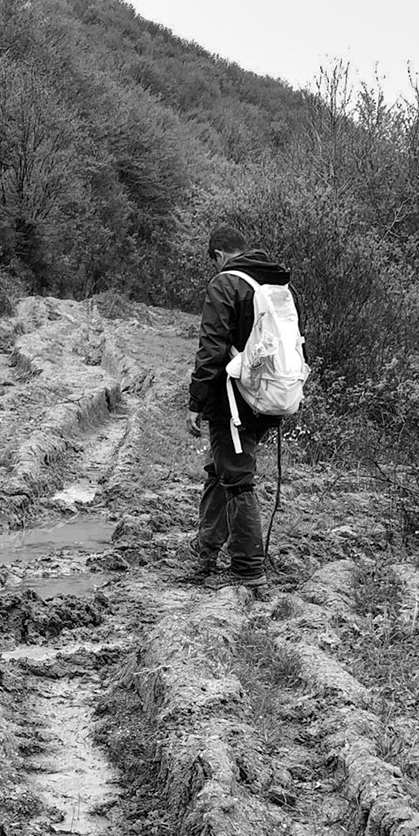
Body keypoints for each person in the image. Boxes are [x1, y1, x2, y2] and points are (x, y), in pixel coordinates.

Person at [185, 224, 299, 587]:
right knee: (220, 468)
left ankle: (247, 569)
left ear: (219, 255)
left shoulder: (226, 284)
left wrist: (196, 401)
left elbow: (212, 349)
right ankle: (206, 552)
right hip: (267, 395)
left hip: (232, 399)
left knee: (235, 477)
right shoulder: (279, 286)